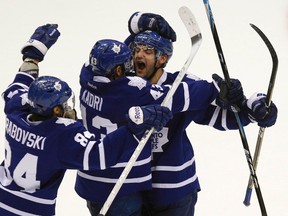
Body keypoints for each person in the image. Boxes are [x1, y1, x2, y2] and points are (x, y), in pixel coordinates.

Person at [75, 15, 277, 216]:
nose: (138, 56)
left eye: (148, 51)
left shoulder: (183, 84)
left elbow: (220, 116)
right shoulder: (121, 85)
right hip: (129, 191)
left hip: (173, 191)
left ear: (162, 58)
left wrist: (254, 109)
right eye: (136, 50)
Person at [0, 24, 172, 216]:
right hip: (30, 211)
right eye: (64, 105)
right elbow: (102, 154)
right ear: (55, 110)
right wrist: (134, 127)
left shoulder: (16, 112)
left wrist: (32, 58)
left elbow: (17, 86)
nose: (68, 108)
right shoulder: (61, 134)